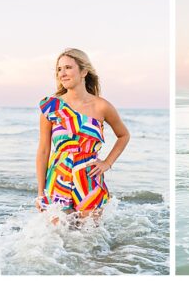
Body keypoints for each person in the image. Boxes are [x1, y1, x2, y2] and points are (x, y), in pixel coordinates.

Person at [35, 48, 130, 218]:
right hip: (58, 180)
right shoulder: (51, 107)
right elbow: (43, 151)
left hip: (88, 181)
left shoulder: (102, 106)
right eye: (59, 69)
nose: (62, 73)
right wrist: (40, 193)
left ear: (84, 71)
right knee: (58, 239)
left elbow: (123, 135)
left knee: (88, 241)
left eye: (68, 68)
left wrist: (107, 163)